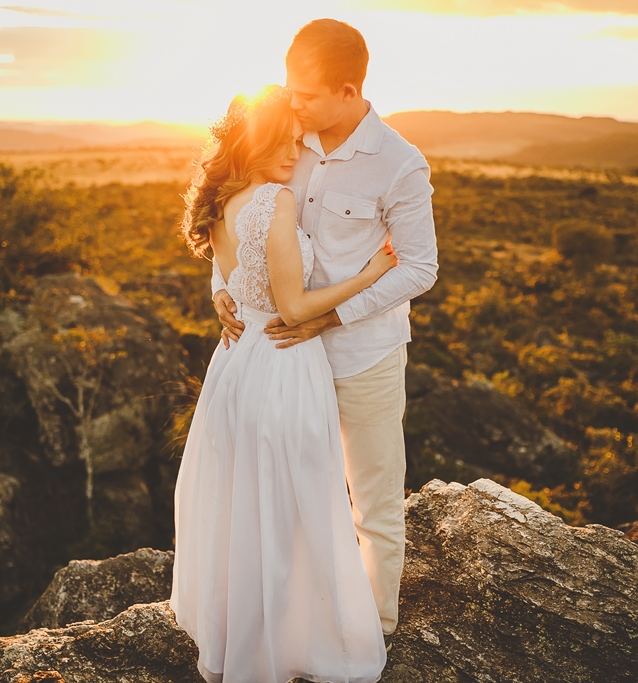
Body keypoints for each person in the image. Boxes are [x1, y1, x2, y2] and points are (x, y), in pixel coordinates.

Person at [211, 19, 439, 649]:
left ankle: (375, 633)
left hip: (363, 357)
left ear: (349, 89)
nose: (294, 103)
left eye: (306, 94)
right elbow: (239, 214)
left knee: (374, 504)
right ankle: (295, 627)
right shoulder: (287, 136)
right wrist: (222, 290)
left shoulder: (399, 163)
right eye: (290, 89)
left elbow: (420, 266)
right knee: (288, 500)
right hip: (283, 363)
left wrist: (331, 316)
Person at [169, 84, 392, 683]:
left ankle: (242, 643)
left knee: (243, 503)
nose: (296, 154)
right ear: (257, 141)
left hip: (234, 369)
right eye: (285, 142)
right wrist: (371, 274)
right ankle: (292, 643)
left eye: (299, 142)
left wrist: (222, 293)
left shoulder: (221, 200)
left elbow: (229, 270)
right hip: (283, 362)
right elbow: (293, 308)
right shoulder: (275, 201)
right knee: (297, 504)